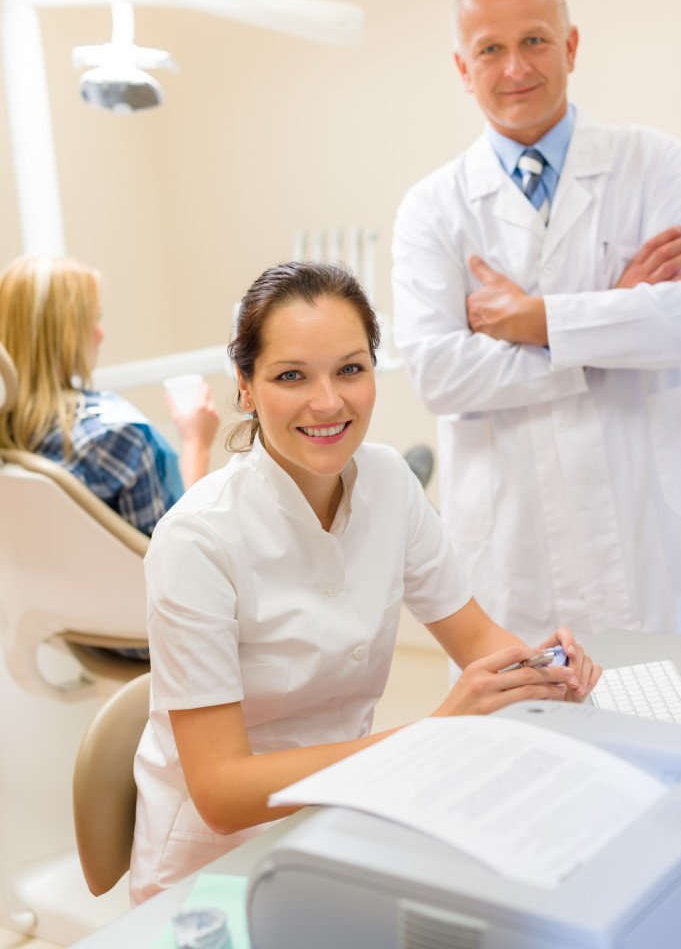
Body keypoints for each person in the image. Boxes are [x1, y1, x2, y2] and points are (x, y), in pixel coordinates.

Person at [129, 261, 600, 903]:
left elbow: (476, 635)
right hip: (218, 864)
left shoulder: (387, 480)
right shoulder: (196, 541)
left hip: (348, 815)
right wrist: (435, 736)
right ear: (245, 386)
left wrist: (536, 670)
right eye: (291, 375)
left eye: (350, 368)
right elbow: (222, 794)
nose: (328, 402)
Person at [392, 0, 681, 649]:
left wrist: (534, 321)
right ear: (463, 68)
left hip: (645, 529)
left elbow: (673, 324)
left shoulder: (653, 164)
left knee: (664, 733)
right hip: (514, 549)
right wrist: (607, 317)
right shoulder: (431, 209)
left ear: (570, 46)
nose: (514, 66)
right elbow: (437, 373)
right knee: (530, 737)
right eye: (489, 49)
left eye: (535, 40)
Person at [0, 254, 220, 537]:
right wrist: (196, 443)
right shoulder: (117, 438)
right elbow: (180, 551)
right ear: (65, 334)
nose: (101, 333)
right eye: (94, 319)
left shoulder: (11, 441)